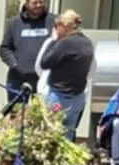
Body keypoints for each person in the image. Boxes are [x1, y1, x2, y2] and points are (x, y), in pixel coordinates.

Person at [34, 10, 95, 139]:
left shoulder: (65, 43)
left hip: (59, 96)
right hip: (78, 96)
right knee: (68, 134)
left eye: (57, 26)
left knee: (49, 135)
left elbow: (44, 63)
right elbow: (91, 70)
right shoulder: (87, 43)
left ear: (65, 26)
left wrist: (54, 40)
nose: (55, 30)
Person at [0, 0, 52, 92]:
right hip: (17, 77)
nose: (38, 5)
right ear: (27, 4)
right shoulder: (15, 22)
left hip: (43, 77)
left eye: (41, 2)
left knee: (39, 103)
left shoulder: (53, 21)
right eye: (34, 3)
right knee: (15, 103)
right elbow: (4, 48)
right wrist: (15, 64)